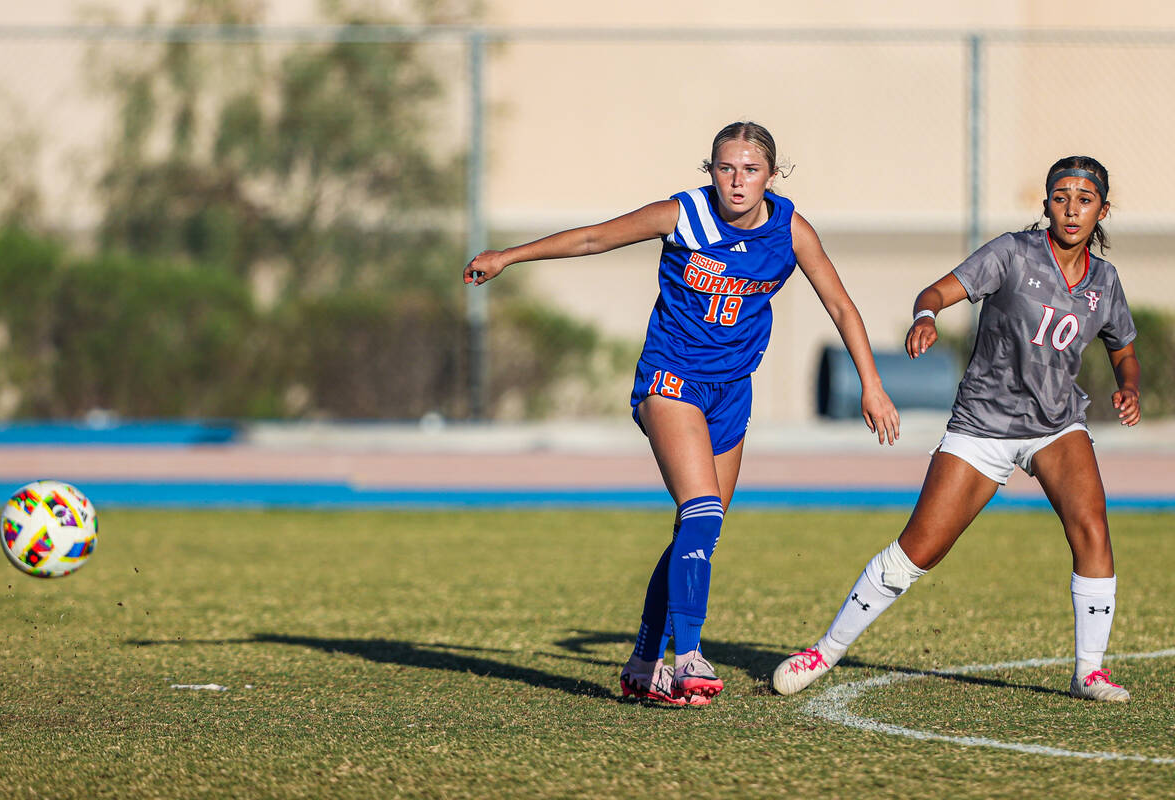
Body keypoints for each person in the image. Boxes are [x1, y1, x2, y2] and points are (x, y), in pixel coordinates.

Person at [464, 121, 901, 706]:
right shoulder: (684, 214)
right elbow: (595, 238)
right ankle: (687, 658)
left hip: (731, 391)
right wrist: (509, 257)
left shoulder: (791, 229)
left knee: (697, 531)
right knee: (701, 512)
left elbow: (843, 308)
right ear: (710, 170)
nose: (736, 181)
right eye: (725, 168)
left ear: (772, 174)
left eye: (750, 169)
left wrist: (872, 386)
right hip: (671, 382)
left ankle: (643, 662)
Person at [772, 155, 1141, 703]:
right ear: (1046, 205)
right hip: (983, 425)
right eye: (1061, 198)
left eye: (1085, 200)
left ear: (1102, 211)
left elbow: (1124, 348)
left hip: (1056, 425)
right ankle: (823, 651)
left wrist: (1128, 386)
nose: (1071, 209)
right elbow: (936, 292)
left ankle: (1089, 671)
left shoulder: (1104, 281)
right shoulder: (1013, 253)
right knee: (917, 550)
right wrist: (926, 317)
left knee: (1092, 529)